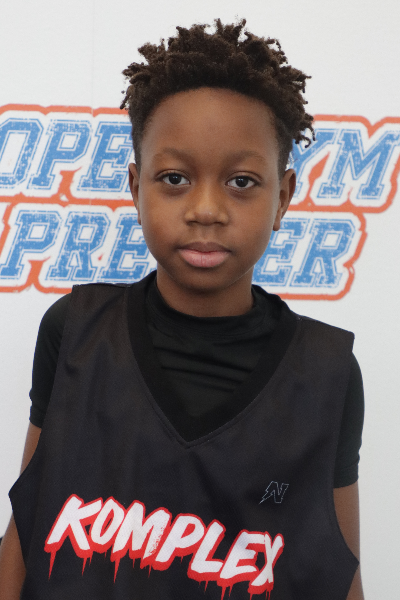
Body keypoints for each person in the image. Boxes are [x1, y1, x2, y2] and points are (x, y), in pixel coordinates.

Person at [0, 19, 364, 600]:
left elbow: (339, 576)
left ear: (283, 197)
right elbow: (27, 529)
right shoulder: (74, 334)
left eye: (241, 181)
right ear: (135, 186)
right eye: (175, 178)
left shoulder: (326, 375)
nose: (206, 209)